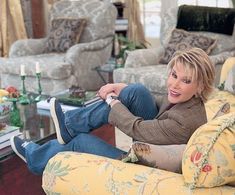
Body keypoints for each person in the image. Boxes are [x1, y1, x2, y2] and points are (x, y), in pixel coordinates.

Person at [10, 47, 215, 175]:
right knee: (137, 91)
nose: (174, 84)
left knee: (81, 141)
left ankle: (35, 157)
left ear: (200, 86)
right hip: (156, 144)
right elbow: (161, 105)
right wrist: (124, 90)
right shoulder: (188, 101)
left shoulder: (185, 121)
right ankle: (69, 125)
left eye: (185, 80)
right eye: (174, 75)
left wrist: (112, 102)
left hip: (146, 165)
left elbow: (138, 129)